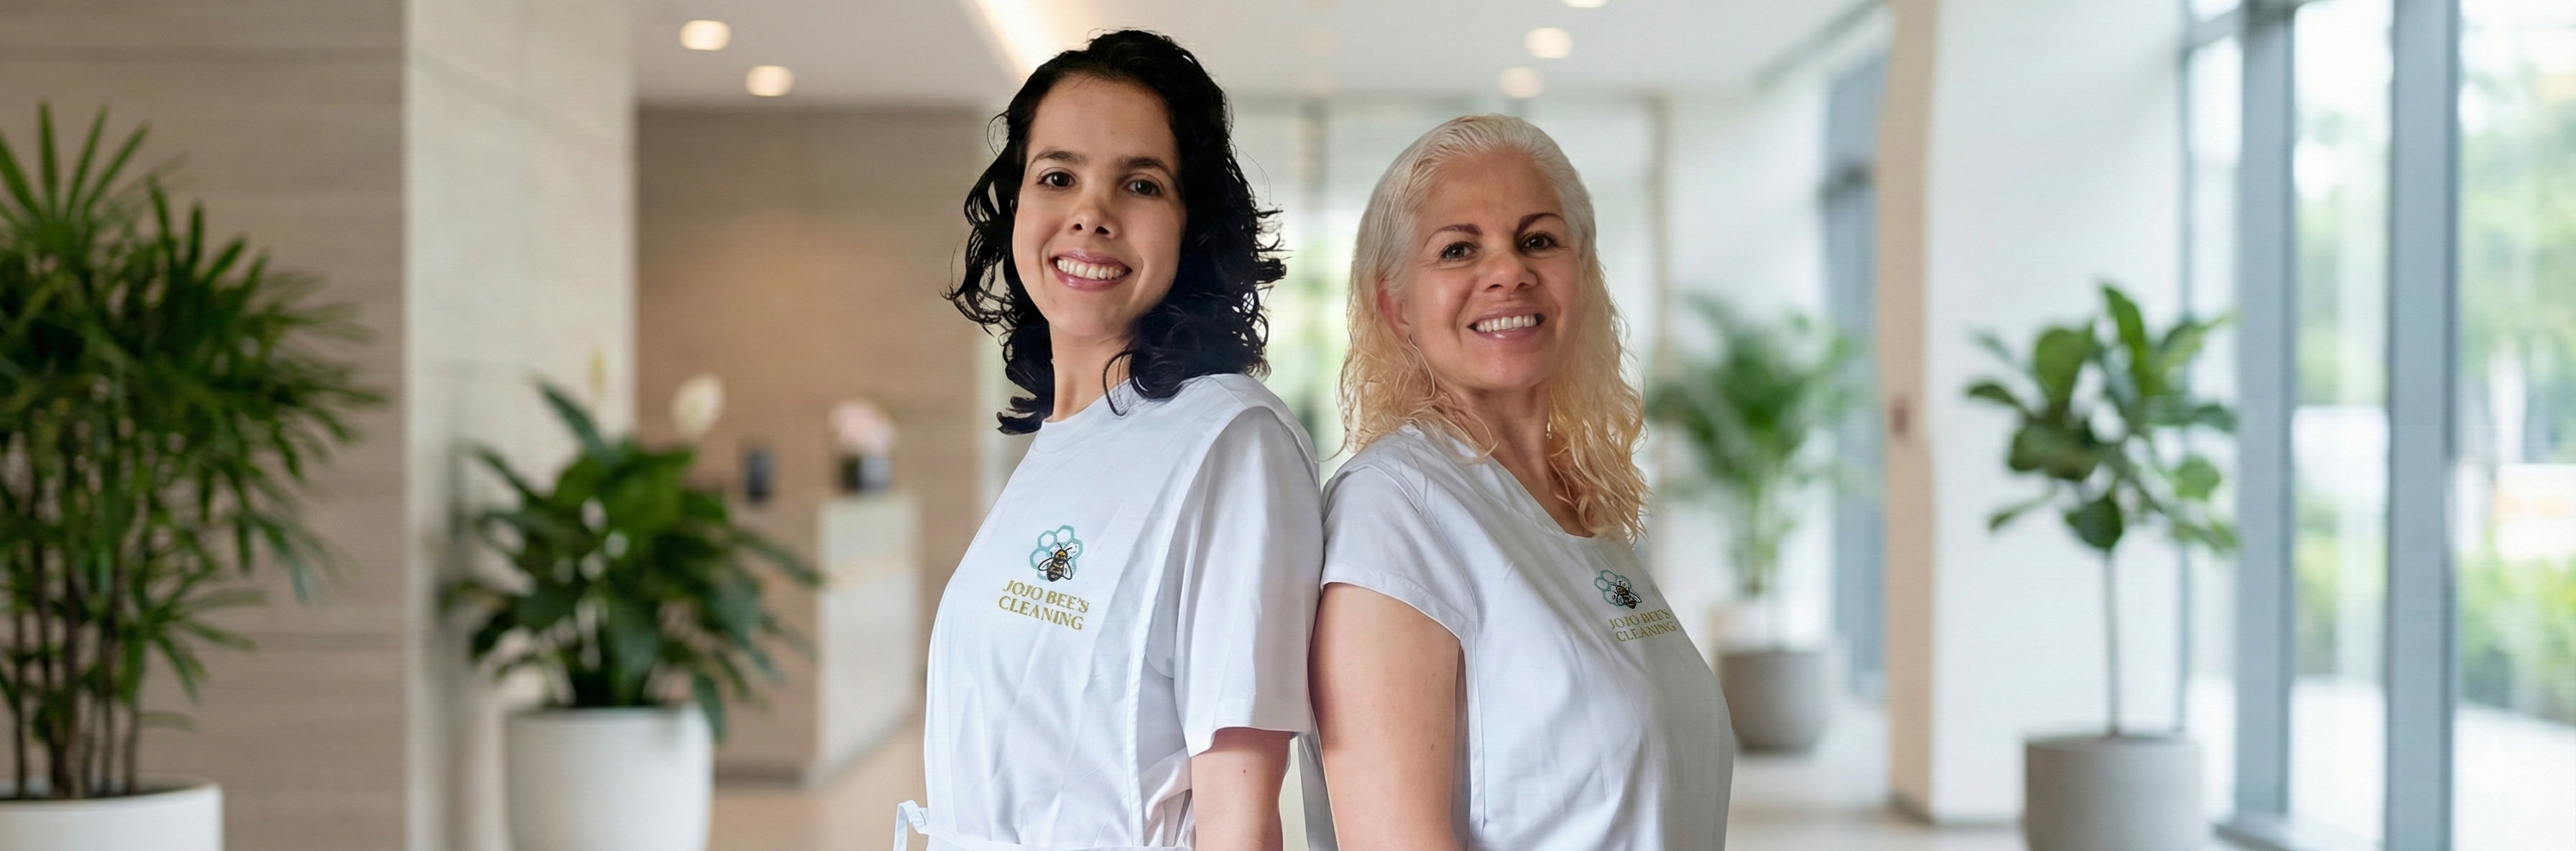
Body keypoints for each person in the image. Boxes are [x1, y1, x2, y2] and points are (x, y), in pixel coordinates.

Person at [898, 30, 1321, 851]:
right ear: (1016, 206)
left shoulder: (1230, 443)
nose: (1091, 213)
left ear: (1192, 223)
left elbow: (1238, 819)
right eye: (1058, 176)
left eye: (1140, 183)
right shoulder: (1065, 438)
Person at [1307, 114, 1734, 850]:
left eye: (1537, 240)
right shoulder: (1395, 507)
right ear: (1395, 306)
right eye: (1458, 249)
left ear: (1583, 274)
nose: (1508, 271)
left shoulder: (1583, 505)